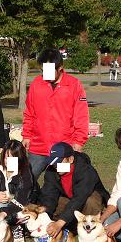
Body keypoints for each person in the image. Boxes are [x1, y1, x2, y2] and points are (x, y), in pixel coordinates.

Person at [22, 49, 89, 180]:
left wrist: (78, 141)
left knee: (63, 182)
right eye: (43, 70)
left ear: (60, 68)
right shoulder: (36, 84)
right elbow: (29, 112)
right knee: (27, 181)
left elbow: (81, 116)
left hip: (63, 148)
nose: (45, 74)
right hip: (38, 146)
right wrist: (26, 135)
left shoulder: (74, 85)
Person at [38, 142, 109, 238]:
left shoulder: (85, 170)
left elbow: (79, 198)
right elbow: (49, 196)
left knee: (91, 201)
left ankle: (92, 229)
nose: (56, 166)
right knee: (53, 203)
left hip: (86, 201)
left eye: (59, 162)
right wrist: (45, 217)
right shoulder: (51, 171)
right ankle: (70, 226)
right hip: (70, 200)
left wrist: (59, 223)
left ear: (70, 159)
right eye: (54, 163)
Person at [0, 139, 39, 242]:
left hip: (20, 205)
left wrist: (4, 213)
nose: (9, 161)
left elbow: (22, 201)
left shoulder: (25, 175)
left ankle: (16, 226)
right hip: (1, 203)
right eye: (7, 157)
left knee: (18, 210)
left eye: (13, 158)